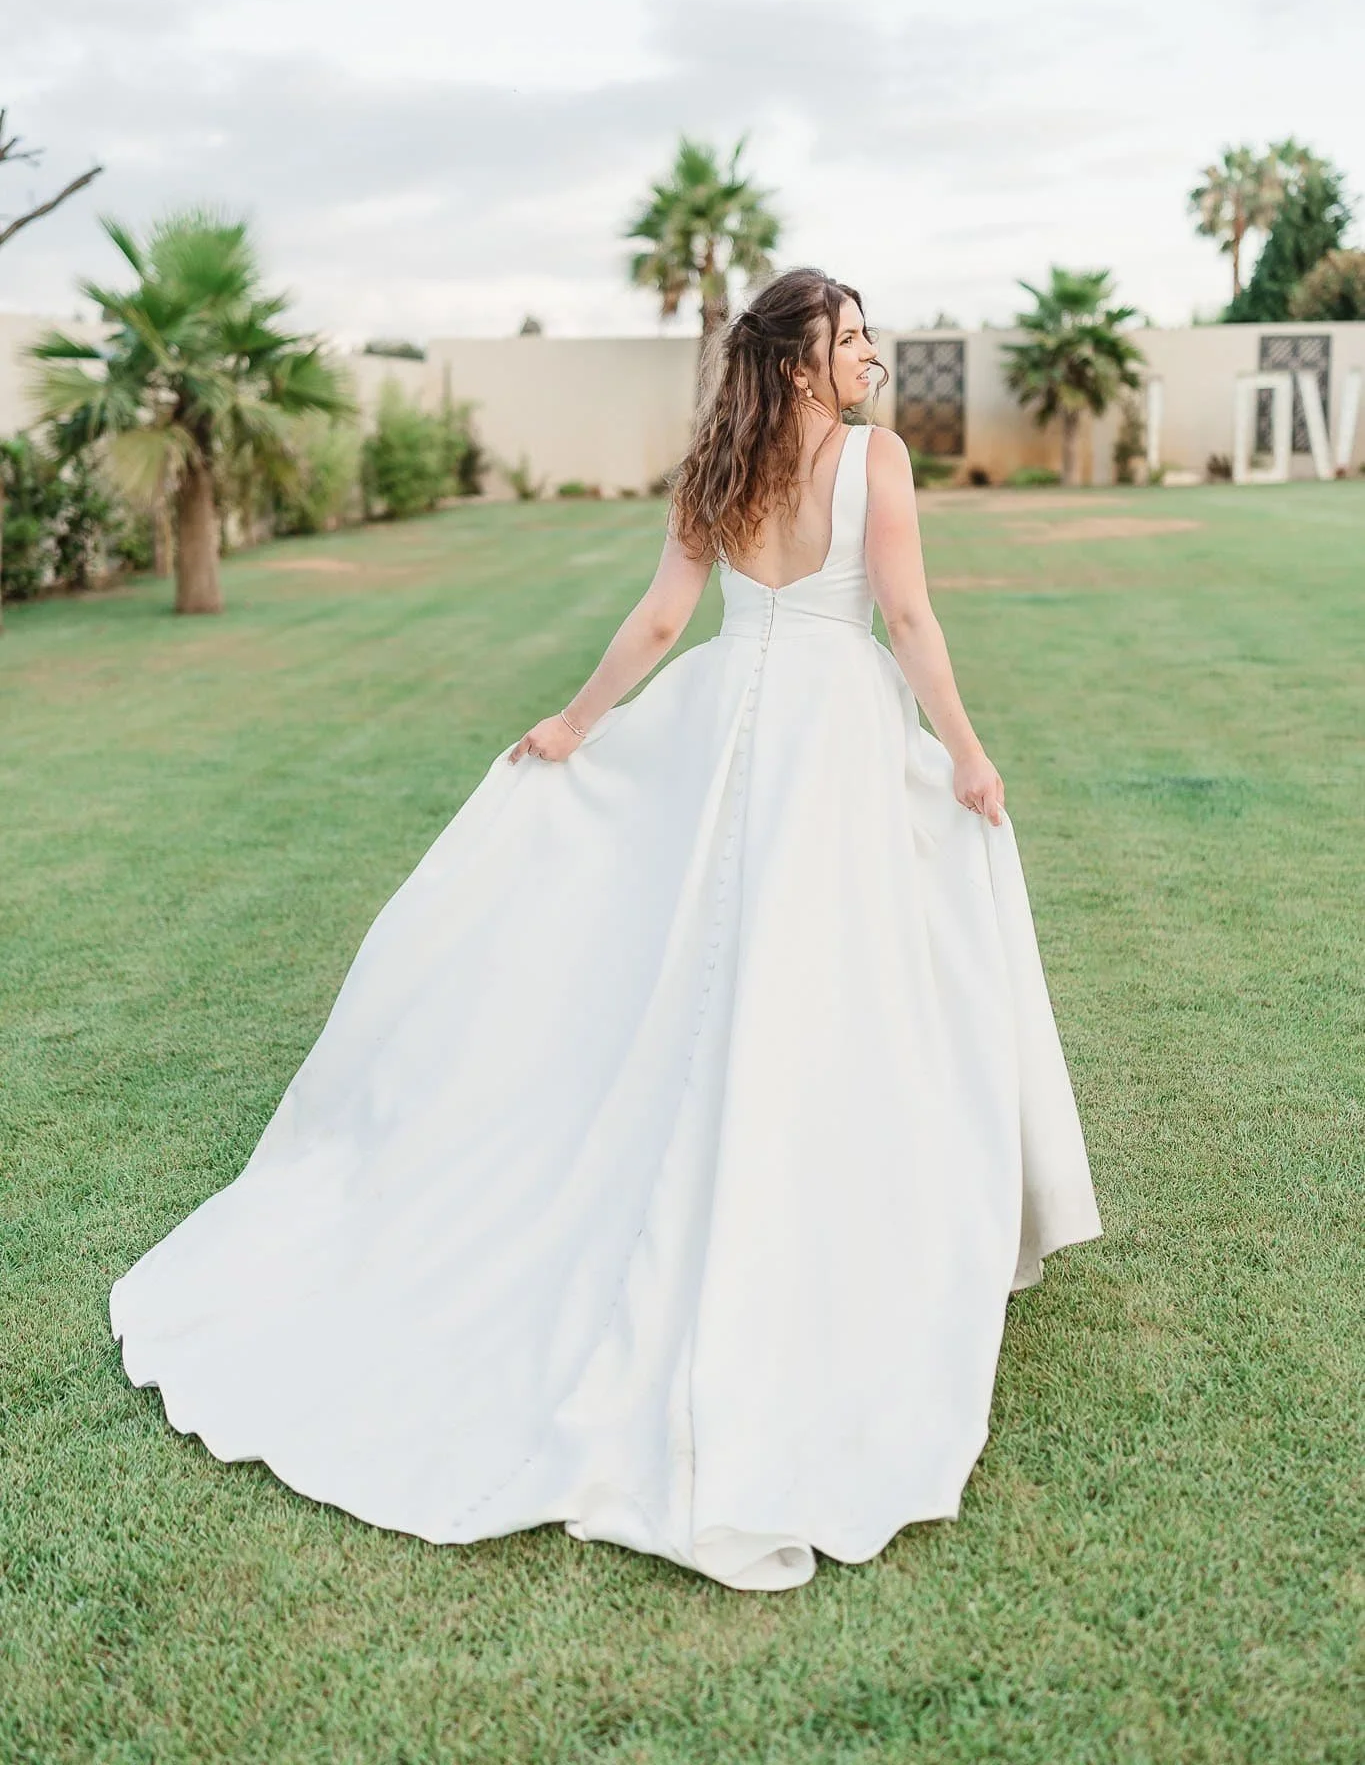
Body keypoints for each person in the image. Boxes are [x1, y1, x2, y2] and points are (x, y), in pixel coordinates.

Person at [111, 266, 1101, 1592]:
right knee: (836, 981)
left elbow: (660, 621)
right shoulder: (880, 464)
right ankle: (831, 1227)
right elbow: (908, 619)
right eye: (853, 339)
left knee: (727, 976)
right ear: (804, 363)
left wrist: (582, 723)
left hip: (735, 723)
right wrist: (969, 754)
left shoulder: (718, 465)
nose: (873, 354)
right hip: (836, 736)